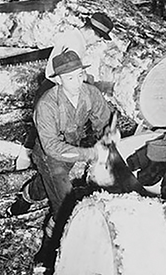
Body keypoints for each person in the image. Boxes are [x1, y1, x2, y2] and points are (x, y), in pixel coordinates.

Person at [25, 50, 112, 267]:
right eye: (70, 78)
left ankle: (24, 198)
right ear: (58, 80)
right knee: (63, 206)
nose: (77, 82)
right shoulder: (47, 105)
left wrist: (109, 139)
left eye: (79, 75)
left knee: (47, 186)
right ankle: (45, 256)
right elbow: (52, 147)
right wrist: (90, 153)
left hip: (71, 148)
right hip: (49, 155)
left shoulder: (90, 93)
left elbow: (104, 120)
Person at [13, 12, 114, 171]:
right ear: (91, 32)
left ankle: (27, 163)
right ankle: (27, 167)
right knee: (46, 132)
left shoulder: (73, 34)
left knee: (38, 130)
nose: (99, 41)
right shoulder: (76, 45)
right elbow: (69, 73)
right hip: (54, 89)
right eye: (99, 37)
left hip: (51, 84)